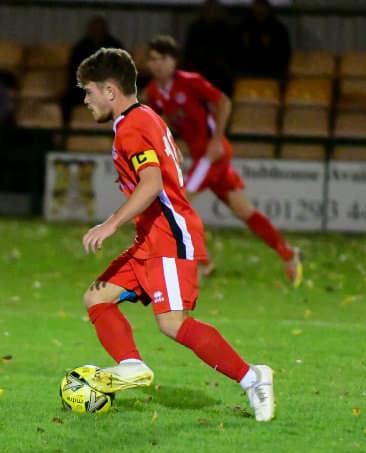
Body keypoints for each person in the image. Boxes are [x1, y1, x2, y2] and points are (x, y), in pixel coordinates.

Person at [75, 47, 275, 422]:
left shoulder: (132, 128)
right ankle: (131, 364)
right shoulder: (145, 116)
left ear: (110, 91)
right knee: (96, 297)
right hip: (149, 239)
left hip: (168, 237)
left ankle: (253, 378)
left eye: (89, 92)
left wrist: (111, 223)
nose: (86, 101)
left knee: (172, 323)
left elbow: (151, 183)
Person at [144, 35, 301, 284]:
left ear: (174, 61)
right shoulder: (154, 92)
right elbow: (161, 121)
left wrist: (217, 139)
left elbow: (223, 101)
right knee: (244, 211)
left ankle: (202, 263)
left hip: (213, 155)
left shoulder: (190, 82)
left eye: (163, 59)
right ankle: (289, 254)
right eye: (153, 59)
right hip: (201, 157)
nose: (158, 64)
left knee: (175, 202)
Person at [64, 16, 124, 120]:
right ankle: (66, 128)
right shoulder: (80, 48)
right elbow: (74, 72)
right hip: (84, 89)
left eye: (100, 29)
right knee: (66, 100)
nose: (97, 32)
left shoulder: (115, 47)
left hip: (108, 90)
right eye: (94, 29)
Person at [182, 0, 235, 94]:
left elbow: (230, 51)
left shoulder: (225, 28)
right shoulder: (195, 28)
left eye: (214, 9)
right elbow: (189, 52)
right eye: (208, 9)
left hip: (220, 72)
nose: (211, 12)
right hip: (199, 68)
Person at [235, 0, 291, 79]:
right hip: (247, 72)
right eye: (257, 6)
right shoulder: (243, 28)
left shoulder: (278, 29)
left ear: (268, 9)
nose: (259, 10)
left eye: (262, 7)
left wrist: (269, 46)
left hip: (272, 73)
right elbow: (235, 53)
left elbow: (283, 55)